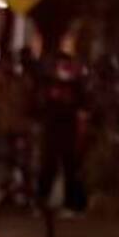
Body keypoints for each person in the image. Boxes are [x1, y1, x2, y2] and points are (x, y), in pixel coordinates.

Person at [35, 52, 89, 213]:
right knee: (48, 167)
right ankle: (41, 200)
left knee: (70, 168)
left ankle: (70, 203)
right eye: (61, 64)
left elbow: (82, 105)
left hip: (69, 132)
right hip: (51, 131)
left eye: (67, 65)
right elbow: (40, 105)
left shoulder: (76, 85)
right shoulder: (49, 83)